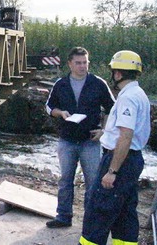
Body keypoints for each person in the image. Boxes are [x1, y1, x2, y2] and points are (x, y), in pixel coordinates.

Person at [78, 50, 151, 245]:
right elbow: (126, 131)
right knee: (125, 213)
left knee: (99, 210)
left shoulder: (127, 98)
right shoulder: (138, 93)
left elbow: (126, 136)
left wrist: (112, 171)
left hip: (120, 160)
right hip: (132, 159)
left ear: (118, 74)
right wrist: (106, 133)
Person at [45, 47, 115, 228]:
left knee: (93, 183)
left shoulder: (98, 83)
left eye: (85, 62)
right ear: (70, 64)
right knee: (65, 180)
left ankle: (90, 221)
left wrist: (104, 131)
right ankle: (63, 216)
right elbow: (48, 106)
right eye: (78, 63)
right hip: (67, 140)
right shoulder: (61, 84)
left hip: (90, 142)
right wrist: (60, 113)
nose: (82, 66)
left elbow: (111, 109)